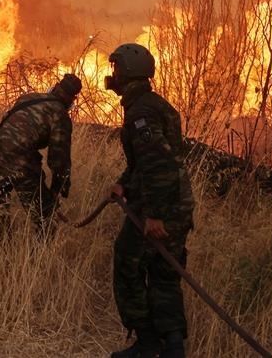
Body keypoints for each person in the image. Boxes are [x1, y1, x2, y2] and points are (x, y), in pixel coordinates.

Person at [104, 43, 195, 358]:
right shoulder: (153, 104)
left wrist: (155, 215)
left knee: (127, 262)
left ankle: (146, 343)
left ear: (127, 71)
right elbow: (149, 161)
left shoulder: (140, 112)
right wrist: (123, 185)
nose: (111, 75)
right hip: (178, 203)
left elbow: (158, 164)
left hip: (162, 205)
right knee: (164, 272)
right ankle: (172, 348)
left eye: (116, 68)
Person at [0, 73, 82, 240]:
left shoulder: (28, 97)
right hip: (20, 160)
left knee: (0, 208)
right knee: (45, 218)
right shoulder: (60, 115)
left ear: (54, 88)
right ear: (71, 100)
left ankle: (1, 251)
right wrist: (57, 190)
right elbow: (59, 159)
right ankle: (37, 262)